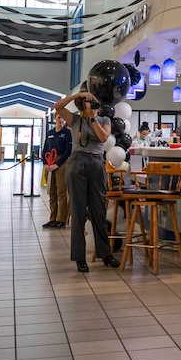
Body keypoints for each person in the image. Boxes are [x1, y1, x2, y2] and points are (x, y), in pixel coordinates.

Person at [53, 90, 119, 272]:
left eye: (94, 101)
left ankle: (105, 254)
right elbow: (57, 107)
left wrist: (92, 118)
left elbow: (103, 138)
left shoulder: (104, 120)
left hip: (97, 162)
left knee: (98, 210)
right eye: (89, 102)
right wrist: (78, 96)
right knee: (78, 211)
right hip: (77, 162)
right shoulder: (74, 119)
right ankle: (79, 258)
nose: (92, 103)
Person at [41, 113, 71, 230]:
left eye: (63, 118)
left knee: (61, 192)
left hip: (61, 163)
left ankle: (61, 219)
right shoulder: (50, 133)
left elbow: (67, 151)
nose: (61, 120)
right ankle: (52, 218)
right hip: (49, 162)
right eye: (59, 117)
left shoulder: (67, 133)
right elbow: (45, 150)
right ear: (54, 119)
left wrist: (57, 164)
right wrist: (45, 164)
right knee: (51, 191)